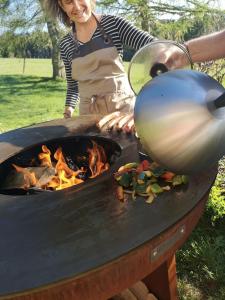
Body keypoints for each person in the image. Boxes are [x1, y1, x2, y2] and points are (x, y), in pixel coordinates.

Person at [46, 0, 156, 119]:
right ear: (61, 6)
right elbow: (73, 87)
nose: (77, 7)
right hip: (89, 117)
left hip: (125, 113)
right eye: (69, 2)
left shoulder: (113, 24)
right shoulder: (65, 44)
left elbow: (153, 45)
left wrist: (167, 52)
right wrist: (68, 110)